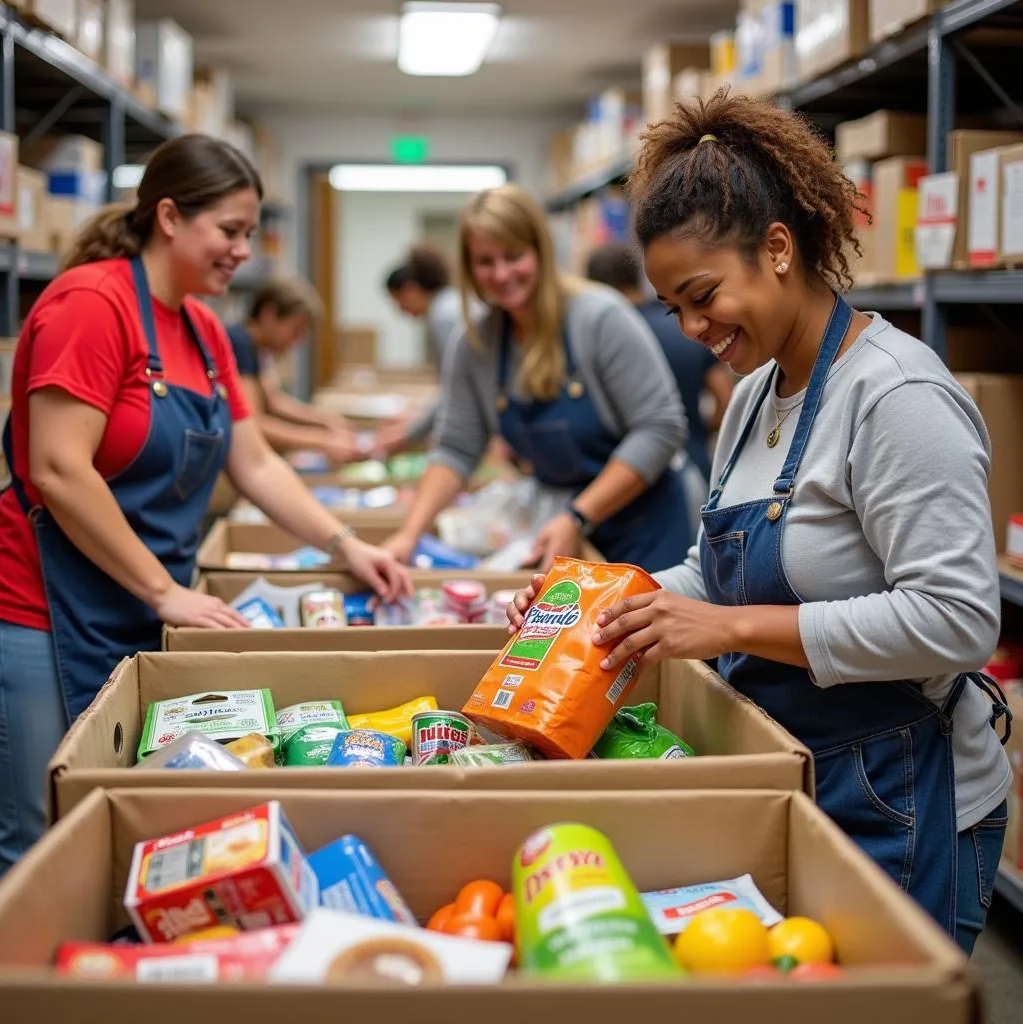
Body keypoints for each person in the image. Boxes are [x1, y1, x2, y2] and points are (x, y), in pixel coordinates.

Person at [508, 91, 1012, 955]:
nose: (695, 328)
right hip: (796, 771)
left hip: (903, 798)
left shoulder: (896, 396)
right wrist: (598, 606)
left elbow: (960, 620)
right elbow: (714, 570)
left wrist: (730, 626)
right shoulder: (751, 395)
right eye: (674, 308)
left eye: (703, 295)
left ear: (778, 248)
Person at [0, 134, 411, 878]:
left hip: (138, 603)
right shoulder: (92, 305)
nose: (243, 251)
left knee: (115, 822)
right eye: (229, 230)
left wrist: (346, 545)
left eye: (249, 233)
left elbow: (253, 462)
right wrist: (163, 590)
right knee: (40, 833)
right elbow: (57, 469)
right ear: (167, 216)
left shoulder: (202, 327)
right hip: (41, 606)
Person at [383, 183, 689, 573]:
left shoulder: (598, 318)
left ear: (540, 250)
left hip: (644, 531)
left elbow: (660, 428)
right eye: (485, 262)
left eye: (514, 256)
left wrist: (578, 516)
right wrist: (410, 535)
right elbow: (456, 448)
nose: (501, 273)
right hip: (563, 530)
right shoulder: (477, 345)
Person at [585, 241, 733, 486]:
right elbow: (725, 398)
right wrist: (700, 429)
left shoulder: (605, 341)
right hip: (696, 467)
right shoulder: (684, 327)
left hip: (629, 480)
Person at [228, 278, 360, 464]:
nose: (296, 342)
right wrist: (322, 441)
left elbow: (275, 401)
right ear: (270, 313)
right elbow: (253, 422)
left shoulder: (256, 348)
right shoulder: (239, 343)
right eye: (295, 330)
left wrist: (326, 421)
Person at [377, 244, 482, 456]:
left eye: (399, 302)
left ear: (411, 290)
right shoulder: (450, 304)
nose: (402, 311)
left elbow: (454, 391)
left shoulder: (443, 316)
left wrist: (409, 433)